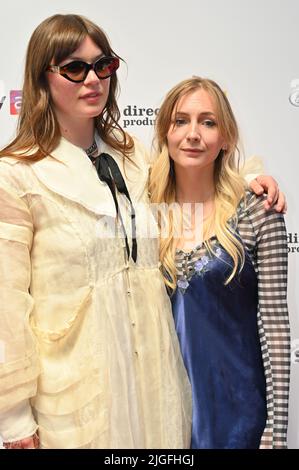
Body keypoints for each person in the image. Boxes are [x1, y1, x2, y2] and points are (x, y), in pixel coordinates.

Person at [0, 15, 285, 449]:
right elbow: (6, 305)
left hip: (155, 392)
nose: (93, 79)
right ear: (43, 79)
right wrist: (15, 419)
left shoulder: (130, 158)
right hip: (74, 398)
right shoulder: (17, 175)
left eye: (104, 65)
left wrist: (249, 181)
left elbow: (195, 170)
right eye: (75, 68)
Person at [149, 77, 290, 449]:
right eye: (181, 121)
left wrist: (276, 430)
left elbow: (274, 326)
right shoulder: (142, 213)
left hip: (237, 417)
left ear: (225, 137)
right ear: (165, 131)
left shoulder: (257, 211)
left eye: (208, 122)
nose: (193, 134)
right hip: (160, 415)